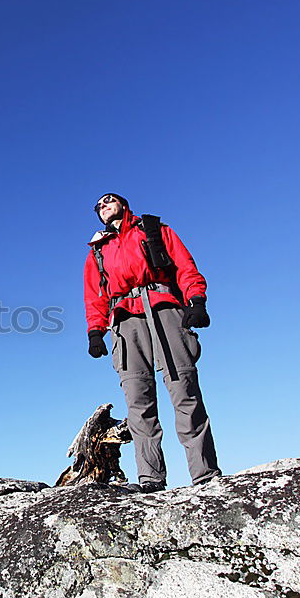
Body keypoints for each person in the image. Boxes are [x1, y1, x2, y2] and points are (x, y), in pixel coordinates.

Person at [83, 193, 221, 493]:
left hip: (164, 309)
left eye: (109, 200)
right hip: (124, 320)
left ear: (123, 204)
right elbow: (95, 295)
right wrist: (95, 331)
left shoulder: (154, 230)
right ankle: (151, 480)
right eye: (99, 206)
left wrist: (197, 300)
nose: (103, 206)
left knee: (184, 391)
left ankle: (205, 475)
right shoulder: (97, 250)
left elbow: (185, 266)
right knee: (138, 402)